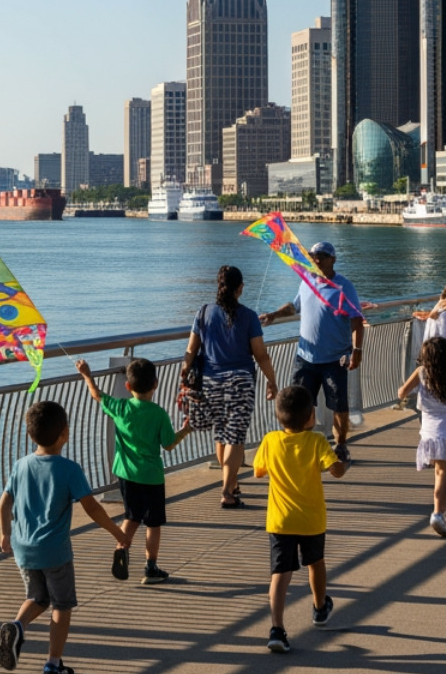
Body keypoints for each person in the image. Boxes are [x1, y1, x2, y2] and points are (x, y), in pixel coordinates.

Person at [0, 401, 128, 674]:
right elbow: (92, 507)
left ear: (30, 434)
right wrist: (117, 532)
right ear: (65, 433)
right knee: (62, 604)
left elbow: (4, 503)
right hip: (54, 550)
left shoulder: (21, 465)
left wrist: (6, 533)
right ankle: (53, 664)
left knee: (37, 597)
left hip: (24, 548)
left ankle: (17, 626)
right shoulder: (69, 469)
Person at [74, 357, 191, 585]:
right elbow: (168, 444)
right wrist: (186, 430)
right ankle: (151, 567)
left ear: (128, 386)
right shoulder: (158, 414)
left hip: (126, 474)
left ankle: (122, 548)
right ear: (155, 384)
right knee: (153, 524)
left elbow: (96, 394)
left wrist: (87, 374)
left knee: (131, 516)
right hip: (151, 476)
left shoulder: (120, 407)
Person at [253, 385, 349, 653]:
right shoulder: (317, 441)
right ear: (310, 417)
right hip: (311, 520)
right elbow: (335, 471)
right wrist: (341, 462)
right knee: (315, 563)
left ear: (278, 416)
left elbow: (258, 472)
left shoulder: (270, 441)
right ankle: (319, 608)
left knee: (280, 573)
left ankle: (277, 628)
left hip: (280, 520)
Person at [260, 241, 365, 465]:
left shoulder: (344, 287)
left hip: (335, 358)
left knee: (339, 405)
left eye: (322, 256)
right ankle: (302, 446)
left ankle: (341, 446)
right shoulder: (306, 281)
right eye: (313, 255)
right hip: (305, 357)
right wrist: (274, 315)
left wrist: (357, 350)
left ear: (333, 259)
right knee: (297, 405)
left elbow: (356, 318)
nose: (316, 259)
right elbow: (294, 307)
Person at [182, 265, 279, 507]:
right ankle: (227, 491)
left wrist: (184, 378)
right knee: (235, 436)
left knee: (221, 433)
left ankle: (232, 483)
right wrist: (272, 380)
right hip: (240, 383)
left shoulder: (203, 313)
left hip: (210, 382)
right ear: (240, 288)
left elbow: (190, 351)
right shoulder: (248, 316)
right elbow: (261, 355)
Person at [398, 338, 446, 537]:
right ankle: (438, 513)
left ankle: (444, 511)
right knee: (443, 474)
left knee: (441, 473)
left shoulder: (422, 373)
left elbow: (402, 392)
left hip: (429, 432)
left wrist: (416, 395)